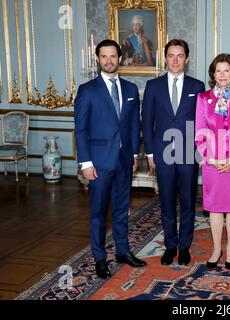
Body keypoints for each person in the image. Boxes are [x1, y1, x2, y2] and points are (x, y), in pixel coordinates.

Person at [74, 39, 146, 279]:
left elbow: (135, 124)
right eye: (104, 56)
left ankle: (123, 252)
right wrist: (85, 163)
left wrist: (135, 154)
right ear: (98, 59)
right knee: (98, 213)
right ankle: (100, 258)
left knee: (121, 210)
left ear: (120, 58)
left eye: (113, 56)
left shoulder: (130, 89)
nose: (108, 60)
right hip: (98, 164)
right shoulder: (87, 90)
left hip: (125, 161)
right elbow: (81, 129)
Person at [142, 39, 205, 266]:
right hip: (163, 152)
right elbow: (147, 122)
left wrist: (200, 151)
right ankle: (170, 246)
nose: (175, 60)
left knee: (188, 201)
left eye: (180, 56)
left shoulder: (197, 87)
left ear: (187, 60)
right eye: (171, 55)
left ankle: (184, 246)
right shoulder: (153, 86)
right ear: (165, 58)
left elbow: (202, 122)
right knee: (167, 201)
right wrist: (150, 153)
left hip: (189, 153)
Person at [195, 53, 230, 270]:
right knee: (216, 207)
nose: (222, 74)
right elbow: (200, 131)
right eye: (218, 70)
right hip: (212, 162)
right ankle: (217, 248)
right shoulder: (202, 98)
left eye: (226, 70)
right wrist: (210, 158)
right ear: (213, 74)